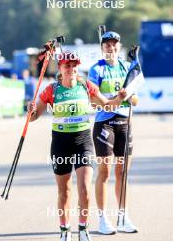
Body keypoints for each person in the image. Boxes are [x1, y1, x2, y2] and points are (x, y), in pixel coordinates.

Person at [28, 51, 127, 241]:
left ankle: (83, 229)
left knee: (85, 189)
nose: (71, 69)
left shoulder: (86, 86)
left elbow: (108, 105)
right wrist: (30, 111)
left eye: (74, 65)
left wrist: (119, 98)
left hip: (83, 141)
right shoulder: (52, 90)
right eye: (67, 65)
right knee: (64, 192)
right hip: (60, 143)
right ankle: (65, 231)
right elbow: (34, 117)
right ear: (60, 67)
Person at [88, 31, 139, 234]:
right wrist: (115, 101)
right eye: (107, 45)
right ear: (102, 48)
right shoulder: (96, 69)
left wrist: (127, 96)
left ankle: (123, 217)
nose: (111, 47)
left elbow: (136, 101)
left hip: (125, 123)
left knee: (122, 172)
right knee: (105, 172)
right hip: (105, 125)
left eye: (115, 44)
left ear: (120, 47)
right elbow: (94, 101)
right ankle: (102, 220)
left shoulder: (128, 68)